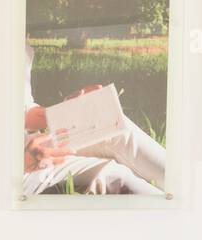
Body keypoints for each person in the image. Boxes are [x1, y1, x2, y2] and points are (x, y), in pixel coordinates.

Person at [23, 44, 167, 196]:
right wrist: (21, 162)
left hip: (26, 143)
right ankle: (175, 216)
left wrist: (66, 111)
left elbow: (23, 111)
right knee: (112, 177)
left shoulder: (11, 40)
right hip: (6, 170)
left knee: (115, 130)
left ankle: (189, 192)